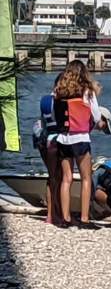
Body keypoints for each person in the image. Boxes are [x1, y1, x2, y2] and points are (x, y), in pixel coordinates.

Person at [52, 60, 105, 230]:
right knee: (86, 178)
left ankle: (65, 218)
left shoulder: (59, 93)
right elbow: (96, 117)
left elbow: (54, 116)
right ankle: (84, 218)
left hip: (63, 138)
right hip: (81, 138)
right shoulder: (87, 92)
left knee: (66, 179)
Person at [31, 78, 64, 225]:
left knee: (52, 177)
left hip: (43, 140)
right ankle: (58, 213)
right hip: (56, 140)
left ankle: (51, 214)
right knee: (59, 177)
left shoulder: (44, 100)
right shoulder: (61, 102)